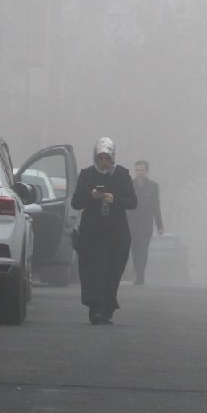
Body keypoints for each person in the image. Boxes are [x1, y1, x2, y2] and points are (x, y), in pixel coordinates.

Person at [71, 137, 137, 325]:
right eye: (100, 158)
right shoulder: (87, 175)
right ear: (95, 158)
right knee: (93, 270)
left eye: (107, 159)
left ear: (113, 158)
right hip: (92, 232)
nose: (104, 163)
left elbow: (132, 202)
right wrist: (91, 196)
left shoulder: (122, 175)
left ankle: (108, 306)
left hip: (116, 233)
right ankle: (95, 308)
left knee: (113, 271)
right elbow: (76, 202)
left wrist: (114, 199)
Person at [127, 159, 165, 285]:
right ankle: (137, 269)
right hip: (132, 224)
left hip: (146, 225)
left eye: (142, 170)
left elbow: (156, 206)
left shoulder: (153, 187)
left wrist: (159, 226)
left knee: (143, 249)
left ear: (147, 171)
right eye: (137, 170)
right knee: (135, 250)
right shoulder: (130, 185)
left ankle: (140, 274)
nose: (139, 172)